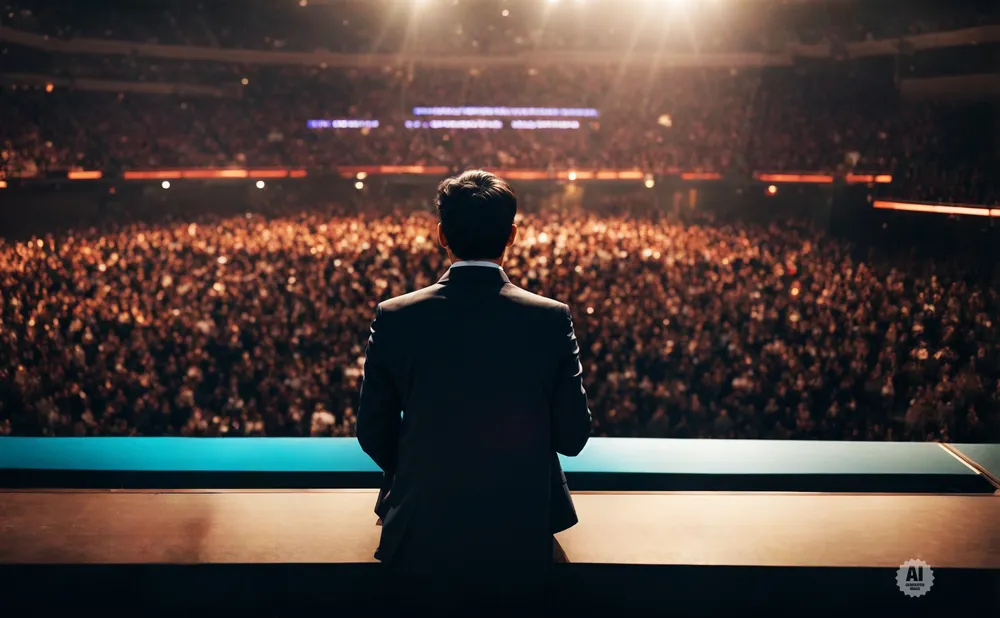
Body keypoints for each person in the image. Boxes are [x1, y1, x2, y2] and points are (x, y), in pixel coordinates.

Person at [357, 170, 592, 614]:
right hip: (521, 532)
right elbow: (573, 437)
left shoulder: (395, 316)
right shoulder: (550, 318)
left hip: (420, 528)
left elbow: (372, 431)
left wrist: (426, 468)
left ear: (442, 235)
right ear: (512, 235)